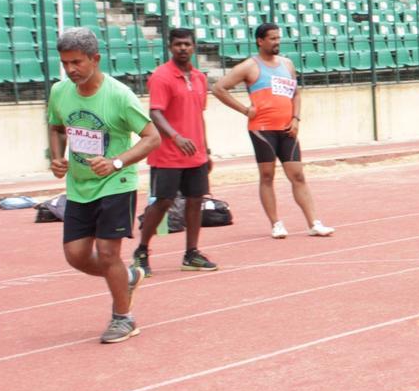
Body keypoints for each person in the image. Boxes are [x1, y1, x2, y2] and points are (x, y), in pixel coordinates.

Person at [46, 28, 161, 344]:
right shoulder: (60, 92)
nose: (70, 70)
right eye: (65, 63)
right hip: (79, 185)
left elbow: (152, 137)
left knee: (108, 252)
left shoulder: (119, 95)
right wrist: (56, 157)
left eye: (77, 62)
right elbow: (56, 127)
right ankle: (128, 277)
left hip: (115, 183)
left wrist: (117, 162)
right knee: (76, 255)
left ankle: (123, 318)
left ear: (95, 59)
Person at [213, 23, 335, 239]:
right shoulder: (249, 67)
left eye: (278, 38)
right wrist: (244, 110)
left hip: (287, 128)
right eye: (272, 38)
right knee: (267, 176)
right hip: (262, 129)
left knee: (297, 175)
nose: (277, 42)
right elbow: (218, 88)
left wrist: (296, 119)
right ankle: (276, 223)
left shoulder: (287, 64)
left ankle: (314, 222)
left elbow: (295, 94)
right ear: (260, 41)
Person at [132, 28, 217, 275]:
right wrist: (175, 136)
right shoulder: (161, 76)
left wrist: (206, 149)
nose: (183, 48)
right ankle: (142, 251)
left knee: (195, 201)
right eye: (178, 44)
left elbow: (199, 116)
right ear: (170, 46)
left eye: (187, 44)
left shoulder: (200, 78)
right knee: (163, 202)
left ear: (194, 47)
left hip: (195, 154)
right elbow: (155, 112)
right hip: (168, 154)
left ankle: (191, 253)